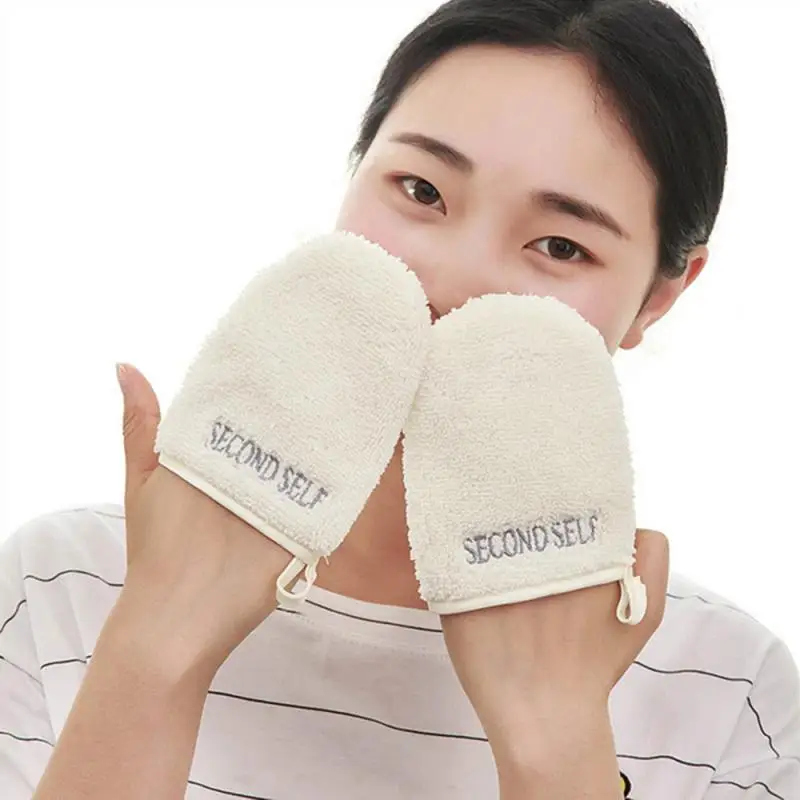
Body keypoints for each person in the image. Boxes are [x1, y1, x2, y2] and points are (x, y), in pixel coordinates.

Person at [1, 0, 798, 797]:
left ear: (659, 297)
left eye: (561, 246)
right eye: (421, 190)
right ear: (355, 174)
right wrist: (154, 648)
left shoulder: (733, 699)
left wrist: (557, 741)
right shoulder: (56, 588)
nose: (451, 283)